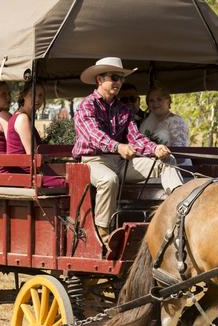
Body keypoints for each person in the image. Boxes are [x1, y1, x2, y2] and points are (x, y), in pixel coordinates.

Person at [72, 57, 184, 242]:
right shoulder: (86, 106)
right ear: (100, 80)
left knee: (166, 161)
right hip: (93, 162)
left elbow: (136, 138)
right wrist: (117, 146)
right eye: (114, 77)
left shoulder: (123, 109)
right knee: (109, 180)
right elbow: (93, 136)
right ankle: (103, 233)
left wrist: (155, 148)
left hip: (121, 162)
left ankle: (180, 208)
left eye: (121, 78)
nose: (118, 82)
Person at [6, 82, 65, 187]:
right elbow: (32, 155)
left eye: (40, 95)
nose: (37, 99)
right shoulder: (22, 118)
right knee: (69, 181)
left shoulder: (24, 117)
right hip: (27, 175)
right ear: (23, 96)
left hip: (28, 172)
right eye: (32, 95)